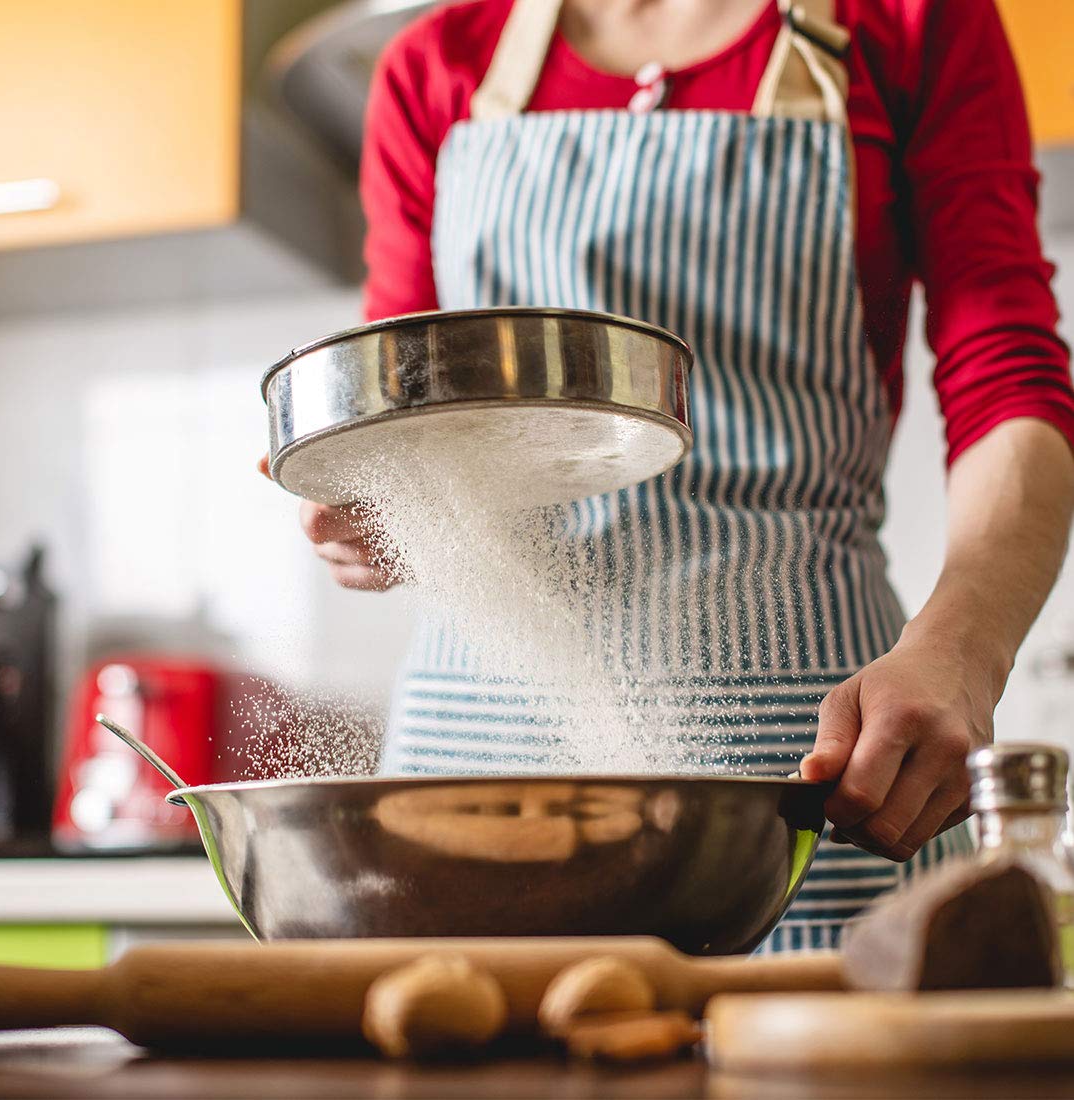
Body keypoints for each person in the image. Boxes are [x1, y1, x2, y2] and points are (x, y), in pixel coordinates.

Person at [292, 0, 1074, 949]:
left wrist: (963, 651)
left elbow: (1008, 375)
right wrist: (384, 513)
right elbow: (405, 399)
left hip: (812, 792)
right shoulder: (435, 64)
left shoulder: (911, 22)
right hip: (474, 786)